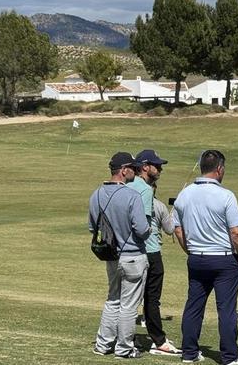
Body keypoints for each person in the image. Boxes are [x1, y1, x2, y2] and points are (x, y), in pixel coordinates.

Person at [172, 150, 238, 365]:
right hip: (224, 259)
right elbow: (236, 232)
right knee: (226, 309)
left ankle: (189, 353)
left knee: (194, 306)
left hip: (197, 257)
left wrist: (190, 250)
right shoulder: (226, 195)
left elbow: (177, 229)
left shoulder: (184, 194)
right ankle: (230, 356)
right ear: (219, 169)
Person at [90, 152, 150, 359]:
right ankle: (124, 348)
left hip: (111, 256)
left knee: (113, 300)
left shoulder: (96, 194)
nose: (135, 171)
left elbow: (92, 228)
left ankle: (103, 344)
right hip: (133, 256)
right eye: (132, 168)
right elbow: (142, 230)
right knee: (129, 305)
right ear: (124, 170)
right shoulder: (132, 196)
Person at [129, 149, 180, 356]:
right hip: (149, 251)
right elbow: (145, 226)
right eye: (156, 166)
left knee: (129, 298)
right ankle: (158, 340)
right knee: (152, 299)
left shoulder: (129, 185)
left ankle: (126, 338)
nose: (160, 169)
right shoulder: (146, 191)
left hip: (129, 251)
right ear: (144, 167)